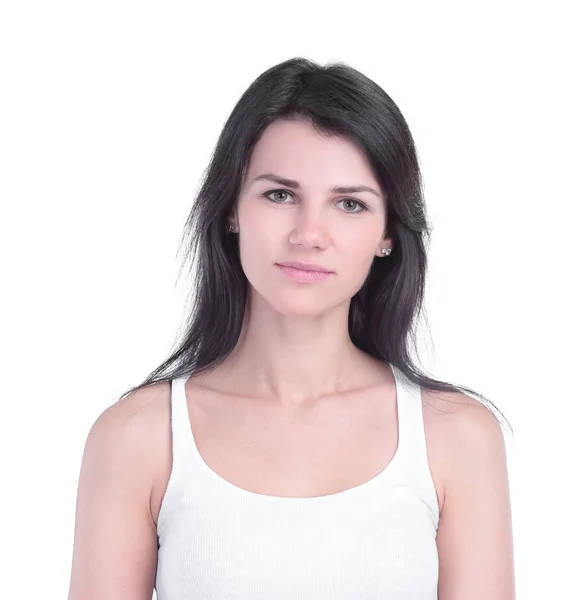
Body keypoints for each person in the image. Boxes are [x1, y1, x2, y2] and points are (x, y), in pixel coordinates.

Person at [68, 57, 515, 599]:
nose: (309, 234)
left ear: (388, 235)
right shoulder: (137, 439)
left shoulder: (457, 438)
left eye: (349, 204)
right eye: (280, 195)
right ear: (232, 207)